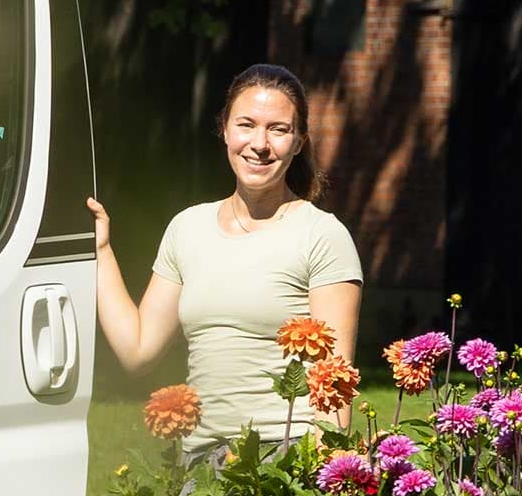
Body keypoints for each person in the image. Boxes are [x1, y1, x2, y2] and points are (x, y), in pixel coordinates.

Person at [86, 62, 362, 450]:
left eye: (278, 129)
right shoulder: (188, 228)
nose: (260, 143)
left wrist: (317, 481)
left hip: (283, 457)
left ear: (298, 142)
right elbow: (137, 349)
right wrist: (101, 252)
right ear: (225, 130)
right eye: (246, 124)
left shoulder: (322, 235)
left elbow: (335, 384)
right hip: (200, 463)